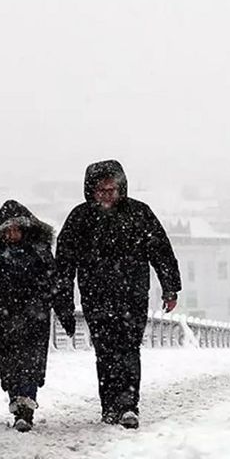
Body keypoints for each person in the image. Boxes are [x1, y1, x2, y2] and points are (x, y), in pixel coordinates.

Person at [55, 160, 181, 429]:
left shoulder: (139, 213)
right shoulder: (80, 218)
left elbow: (161, 250)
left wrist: (170, 287)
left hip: (132, 295)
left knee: (128, 348)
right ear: (92, 191)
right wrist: (63, 299)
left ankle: (128, 405)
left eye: (112, 189)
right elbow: (64, 263)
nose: (107, 195)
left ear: (121, 188)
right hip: (96, 296)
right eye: (101, 190)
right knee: (105, 350)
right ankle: (109, 405)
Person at [0, 200, 75, 432]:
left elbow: (55, 285)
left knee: (30, 364)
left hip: (33, 319)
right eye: (8, 230)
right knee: (9, 366)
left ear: (27, 228)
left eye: (17, 228)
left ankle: (25, 408)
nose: (13, 234)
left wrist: (65, 313)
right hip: (3, 319)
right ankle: (17, 402)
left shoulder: (40, 253)